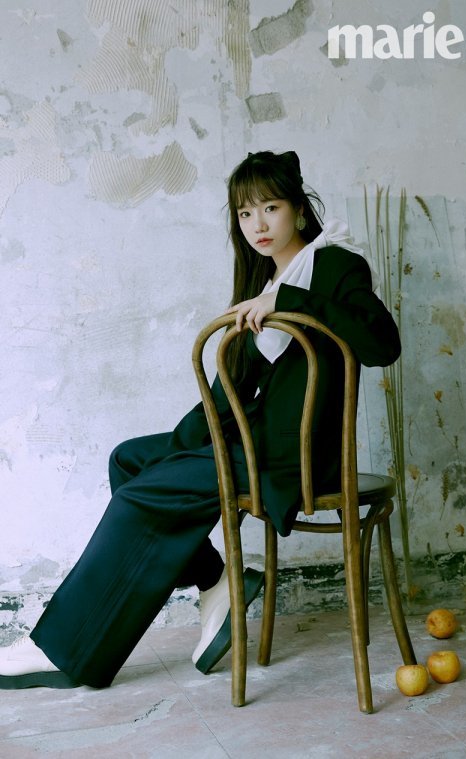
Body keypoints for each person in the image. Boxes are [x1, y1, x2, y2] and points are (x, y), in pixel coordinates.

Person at [0, 150, 400, 690]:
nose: (258, 225)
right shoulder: (263, 282)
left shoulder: (333, 266)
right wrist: (181, 443)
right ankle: (217, 582)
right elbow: (229, 391)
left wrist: (293, 302)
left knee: (140, 497)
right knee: (131, 461)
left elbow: (383, 345)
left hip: (296, 456)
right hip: (251, 439)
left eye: (271, 208)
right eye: (245, 213)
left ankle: (65, 648)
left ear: (300, 211)